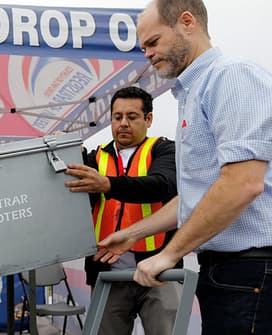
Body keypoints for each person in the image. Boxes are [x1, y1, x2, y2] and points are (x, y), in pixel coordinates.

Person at [94, 1, 272, 334]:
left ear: (186, 22)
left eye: (153, 42)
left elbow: (242, 184)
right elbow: (197, 196)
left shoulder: (232, 76)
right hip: (227, 273)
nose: (146, 53)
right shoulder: (192, 93)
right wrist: (131, 235)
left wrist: (168, 253)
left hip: (250, 269)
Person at [64, 86, 179, 335]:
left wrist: (107, 184)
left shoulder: (164, 150)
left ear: (148, 119)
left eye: (132, 117)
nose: (123, 123)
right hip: (106, 274)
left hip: (159, 271)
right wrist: (64, 151)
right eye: (117, 117)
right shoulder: (95, 158)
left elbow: (161, 185)